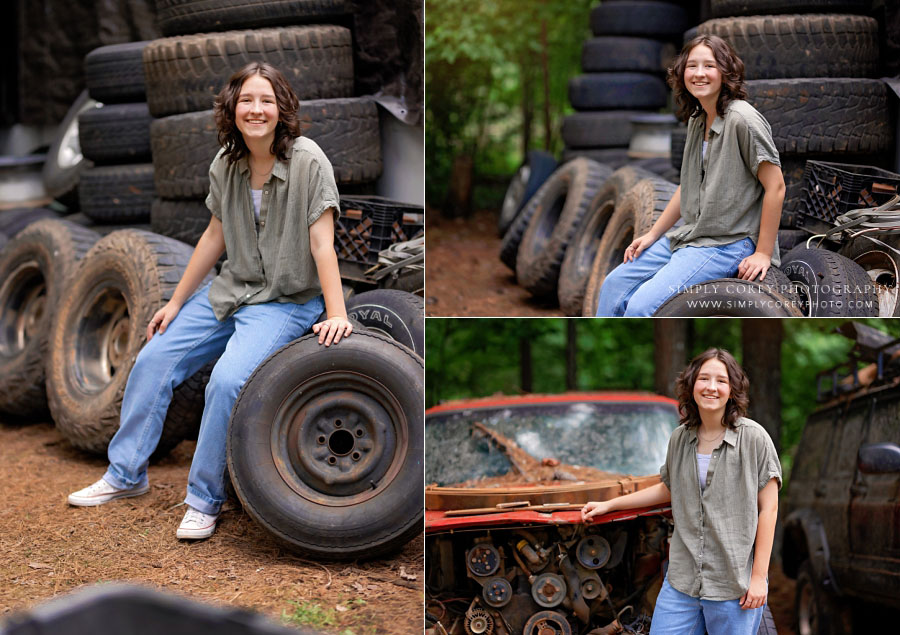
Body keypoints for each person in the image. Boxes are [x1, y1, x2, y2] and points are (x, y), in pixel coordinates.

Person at [67, 62, 353, 540]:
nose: (256, 109)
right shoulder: (226, 161)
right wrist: (176, 302)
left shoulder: (308, 161)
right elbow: (213, 236)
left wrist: (337, 311)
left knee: (224, 381)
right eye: (246, 100)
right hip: (231, 290)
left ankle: (203, 499)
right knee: (154, 357)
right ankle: (124, 475)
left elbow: (323, 244)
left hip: (284, 301)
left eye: (266, 100)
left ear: (282, 108)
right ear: (232, 109)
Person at [581, 349, 781, 634]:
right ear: (691, 385)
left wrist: (759, 578)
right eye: (704, 378)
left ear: (732, 390)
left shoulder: (754, 438)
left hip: (732, 584)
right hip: (682, 582)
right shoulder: (680, 438)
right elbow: (669, 488)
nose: (712, 387)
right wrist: (610, 505)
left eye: (721, 381)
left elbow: (769, 509)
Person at [595, 35, 785, 316]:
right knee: (613, 285)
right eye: (691, 66)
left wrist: (763, 253)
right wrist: (652, 235)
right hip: (691, 236)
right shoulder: (697, 120)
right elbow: (688, 186)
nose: (698, 73)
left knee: (641, 306)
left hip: (728, 242)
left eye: (709, 65)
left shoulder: (743, 119)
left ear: (725, 71)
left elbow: (777, 187)